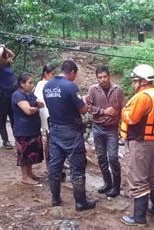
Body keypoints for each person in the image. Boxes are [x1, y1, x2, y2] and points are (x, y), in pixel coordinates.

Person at [43, 60, 96, 211]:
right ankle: (80, 203)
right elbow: (83, 110)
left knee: (55, 167)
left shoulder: (47, 86)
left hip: (55, 130)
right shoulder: (70, 86)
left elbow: (54, 105)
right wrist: (84, 100)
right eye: (76, 74)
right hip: (71, 131)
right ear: (72, 72)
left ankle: (55, 199)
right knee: (77, 167)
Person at [120, 64, 154, 226]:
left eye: (135, 81)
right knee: (153, 177)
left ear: (143, 81)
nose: (133, 84)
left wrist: (123, 111)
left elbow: (132, 118)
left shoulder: (143, 96)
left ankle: (139, 218)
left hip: (140, 143)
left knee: (138, 178)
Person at [87, 66, 125, 198]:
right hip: (97, 128)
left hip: (112, 129)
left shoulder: (117, 90)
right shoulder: (93, 89)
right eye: (100, 77)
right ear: (97, 78)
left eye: (105, 76)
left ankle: (116, 186)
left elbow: (123, 108)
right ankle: (107, 183)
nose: (103, 79)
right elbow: (88, 107)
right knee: (101, 157)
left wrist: (122, 127)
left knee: (113, 157)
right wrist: (103, 111)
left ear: (109, 76)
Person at [12, 72, 45, 185]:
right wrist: (36, 107)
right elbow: (28, 110)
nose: (32, 85)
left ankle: (30, 173)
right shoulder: (18, 95)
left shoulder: (29, 94)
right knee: (24, 152)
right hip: (23, 129)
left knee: (31, 152)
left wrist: (35, 106)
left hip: (33, 128)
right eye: (30, 83)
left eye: (32, 83)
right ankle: (24, 176)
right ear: (22, 83)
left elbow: (41, 103)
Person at [0, 44, 17, 149]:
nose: (7, 57)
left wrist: (4, 47)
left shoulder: (7, 65)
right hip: (1, 97)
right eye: (4, 55)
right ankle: (5, 140)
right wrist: (1, 48)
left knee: (14, 118)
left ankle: (17, 139)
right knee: (2, 118)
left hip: (12, 96)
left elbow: (12, 54)